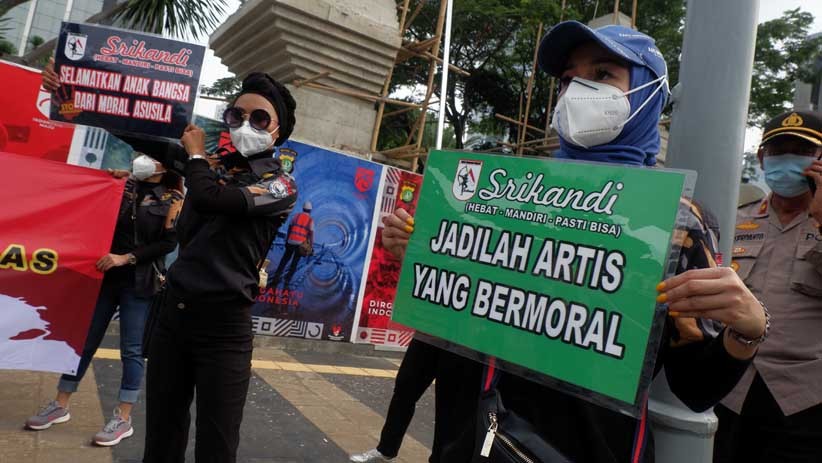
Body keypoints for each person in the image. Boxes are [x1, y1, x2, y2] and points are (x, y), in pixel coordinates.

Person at [381, 21, 769, 463]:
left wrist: (748, 331)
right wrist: (427, 256)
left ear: (647, 93)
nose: (579, 89)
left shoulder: (676, 220)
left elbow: (695, 389)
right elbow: (461, 316)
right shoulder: (504, 192)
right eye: (568, 79)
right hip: (465, 438)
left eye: (603, 75)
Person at [142, 72, 297, 463]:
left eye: (259, 118)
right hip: (172, 319)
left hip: (224, 329)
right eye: (236, 114)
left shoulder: (280, 185)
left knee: (216, 444)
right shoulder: (212, 164)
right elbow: (140, 134)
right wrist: (74, 99)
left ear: (276, 131)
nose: (246, 124)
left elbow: (212, 199)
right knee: (161, 433)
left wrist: (195, 157)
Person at [24, 145, 182, 447]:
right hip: (103, 278)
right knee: (84, 341)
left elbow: (167, 244)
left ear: (166, 165)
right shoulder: (123, 185)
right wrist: (108, 182)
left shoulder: (173, 199)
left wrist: (127, 258)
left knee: (131, 350)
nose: (143, 160)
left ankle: (123, 418)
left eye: (151, 156)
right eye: (141, 154)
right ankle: (60, 403)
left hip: (139, 282)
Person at [713, 109, 822, 463]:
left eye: (800, 150)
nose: (787, 159)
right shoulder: (736, 218)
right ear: (761, 158)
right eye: (778, 151)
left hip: (804, 399)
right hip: (729, 387)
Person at [272, 200, 314, 288]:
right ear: (310, 210)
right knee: (294, 263)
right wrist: (311, 246)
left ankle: (276, 278)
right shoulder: (310, 220)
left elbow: (290, 228)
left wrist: (287, 240)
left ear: (303, 209)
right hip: (300, 245)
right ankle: (287, 281)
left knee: (284, 260)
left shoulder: (296, 216)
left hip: (291, 241)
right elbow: (311, 234)